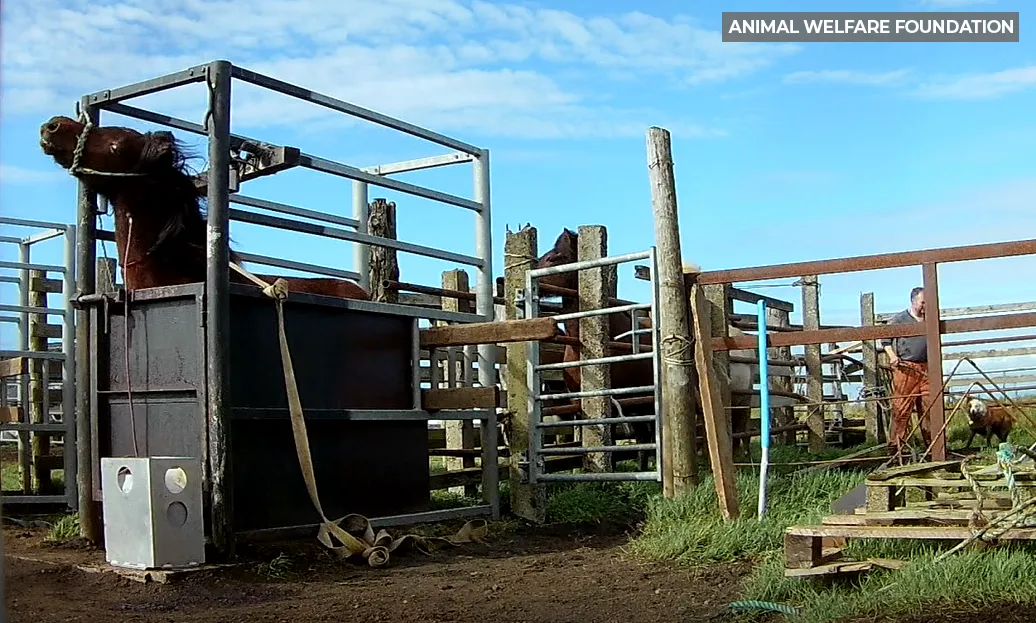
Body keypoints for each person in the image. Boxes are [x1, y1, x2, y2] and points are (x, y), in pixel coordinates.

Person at [879, 286, 933, 453]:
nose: (925, 306)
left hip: (927, 368)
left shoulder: (930, 318)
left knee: (930, 408)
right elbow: (885, 340)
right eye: (923, 302)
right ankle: (896, 449)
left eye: (927, 303)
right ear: (913, 301)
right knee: (901, 409)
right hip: (906, 368)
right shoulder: (899, 320)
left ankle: (934, 446)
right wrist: (892, 356)